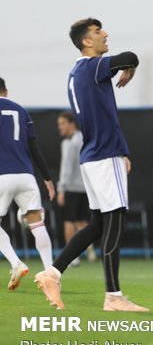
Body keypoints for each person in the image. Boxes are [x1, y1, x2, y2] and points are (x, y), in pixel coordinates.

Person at [33, 18, 148, 311]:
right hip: (103, 156)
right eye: (98, 32)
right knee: (115, 223)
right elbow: (130, 57)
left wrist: (121, 151)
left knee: (98, 225)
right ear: (86, 41)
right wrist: (129, 66)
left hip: (94, 156)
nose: (105, 34)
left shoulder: (76, 72)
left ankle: (53, 272)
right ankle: (113, 296)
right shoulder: (93, 67)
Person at [0, 77, 55, 290]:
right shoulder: (21, 111)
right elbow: (34, 147)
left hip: (2, 175)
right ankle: (51, 273)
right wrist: (48, 178)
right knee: (36, 223)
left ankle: (15, 263)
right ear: (6, 90)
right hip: (26, 175)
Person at [56, 110, 95, 266]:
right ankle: (90, 249)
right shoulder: (85, 138)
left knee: (69, 221)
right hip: (86, 187)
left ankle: (73, 257)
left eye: (62, 123)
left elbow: (66, 167)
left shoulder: (68, 142)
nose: (60, 127)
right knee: (82, 221)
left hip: (72, 187)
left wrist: (61, 188)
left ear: (71, 123)